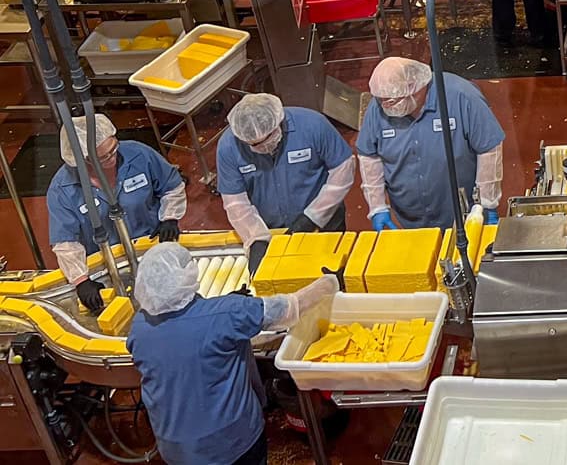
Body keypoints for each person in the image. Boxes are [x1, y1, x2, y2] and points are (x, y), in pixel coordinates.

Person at [128, 242, 337, 465]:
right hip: (231, 442)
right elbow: (289, 308)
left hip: (174, 448)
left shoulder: (139, 327)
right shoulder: (228, 313)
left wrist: (223, 305)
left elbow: (185, 332)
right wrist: (331, 283)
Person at [46, 113, 185, 316]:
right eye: (103, 157)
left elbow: (171, 186)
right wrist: (81, 280)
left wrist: (170, 218)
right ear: (82, 160)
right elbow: (65, 242)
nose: (113, 158)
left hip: (153, 246)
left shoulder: (139, 155)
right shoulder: (63, 189)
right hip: (106, 261)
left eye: (114, 149)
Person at [356, 56, 505, 230]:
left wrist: (487, 203)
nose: (386, 106)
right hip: (410, 220)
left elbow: (489, 149)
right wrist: (377, 207)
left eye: (393, 101)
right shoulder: (379, 107)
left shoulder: (461, 97)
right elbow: (368, 156)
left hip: (462, 214)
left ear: (415, 88)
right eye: (381, 100)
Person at [216, 94, 354, 274]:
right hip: (274, 230)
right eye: (254, 144)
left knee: (331, 274)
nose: (262, 146)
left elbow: (343, 170)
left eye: (267, 138)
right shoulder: (228, 147)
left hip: (326, 221)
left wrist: (313, 216)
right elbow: (235, 202)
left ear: (279, 122)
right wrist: (256, 237)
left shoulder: (313, 125)